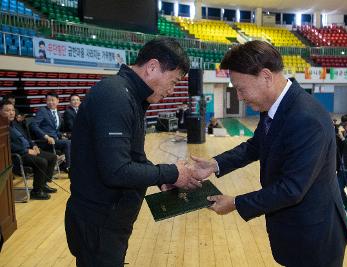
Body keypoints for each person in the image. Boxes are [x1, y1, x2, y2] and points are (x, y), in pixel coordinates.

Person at [188, 41, 347, 267]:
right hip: (294, 230)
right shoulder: (277, 105)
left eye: (241, 88)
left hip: (315, 238)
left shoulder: (306, 119)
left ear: (266, 76)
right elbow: (256, 145)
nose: (239, 96)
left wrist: (236, 202)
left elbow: (291, 189)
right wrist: (214, 164)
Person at [64, 38, 205, 267]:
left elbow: (133, 158)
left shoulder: (130, 96)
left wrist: (163, 179)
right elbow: (117, 171)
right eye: (174, 81)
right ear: (152, 67)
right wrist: (169, 173)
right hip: (99, 224)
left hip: (108, 223)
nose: (172, 91)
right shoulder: (115, 96)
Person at [1, 101, 57, 200]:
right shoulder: (2, 128)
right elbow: (8, 146)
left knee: (52, 157)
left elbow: (27, 137)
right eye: (7, 110)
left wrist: (34, 145)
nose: (11, 113)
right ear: (0, 111)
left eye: (13, 110)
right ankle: (36, 192)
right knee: (42, 162)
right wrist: (26, 151)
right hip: (18, 155)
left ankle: (42, 185)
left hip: (29, 150)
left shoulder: (15, 124)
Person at [30, 93, 71, 172]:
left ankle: (64, 163)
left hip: (55, 140)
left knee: (72, 140)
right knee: (68, 143)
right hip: (45, 141)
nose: (50, 102)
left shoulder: (58, 113)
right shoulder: (42, 111)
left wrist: (61, 135)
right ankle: (68, 167)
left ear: (58, 101)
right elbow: (33, 125)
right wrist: (46, 136)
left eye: (52, 100)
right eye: (48, 100)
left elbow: (55, 130)